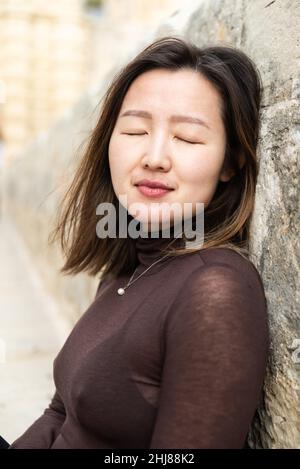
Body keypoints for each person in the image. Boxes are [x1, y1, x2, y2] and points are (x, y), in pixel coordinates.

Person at [9, 35, 269, 449]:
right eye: (135, 130)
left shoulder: (215, 291)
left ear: (230, 163)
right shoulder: (127, 267)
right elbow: (61, 413)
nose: (154, 156)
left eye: (186, 138)